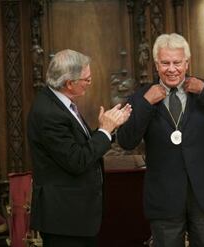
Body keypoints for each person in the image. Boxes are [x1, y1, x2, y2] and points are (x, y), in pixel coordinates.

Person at [117, 33, 204, 247]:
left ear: (187, 63)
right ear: (156, 65)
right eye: (165, 63)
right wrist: (146, 104)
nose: (172, 69)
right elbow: (127, 141)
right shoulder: (141, 96)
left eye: (177, 62)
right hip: (164, 198)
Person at [27, 49, 131, 247]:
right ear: (69, 83)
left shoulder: (61, 103)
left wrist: (106, 130)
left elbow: (77, 146)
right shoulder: (49, 113)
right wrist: (104, 132)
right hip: (64, 219)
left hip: (75, 217)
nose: (89, 84)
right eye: (87, 79)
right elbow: (77, 160)